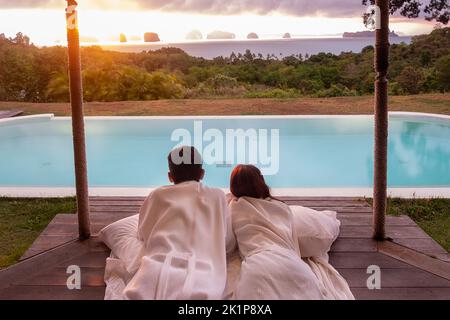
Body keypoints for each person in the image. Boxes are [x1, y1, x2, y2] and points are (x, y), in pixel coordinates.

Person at [123, 146, 233, 300]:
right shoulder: (218, 196)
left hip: (156, 269)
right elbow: (226, 240)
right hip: (206, 277)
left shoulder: (157, 195)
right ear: (202, 173)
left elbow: (143, 233)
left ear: (170, 176)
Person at [228, 164, 325, 300]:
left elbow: (228, 245)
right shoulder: (282, 207)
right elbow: (293, 245)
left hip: (258, 266)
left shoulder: (233, 208)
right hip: (292, 264)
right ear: (260, 181)